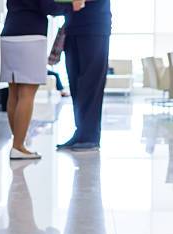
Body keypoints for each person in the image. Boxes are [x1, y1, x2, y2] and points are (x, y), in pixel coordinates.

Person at [0, 0, 83, 160]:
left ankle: (17, 144)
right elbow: (46, 5)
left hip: (9, 33)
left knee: (14, 93)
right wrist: (71, 5)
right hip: (30, 35)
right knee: (27, 93)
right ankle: (18, 147)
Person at [57, 0, 112, 151]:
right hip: (73, 28)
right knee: (75, 84)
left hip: (95, 28)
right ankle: (80, 133)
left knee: (90, 83)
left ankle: (90, 137)